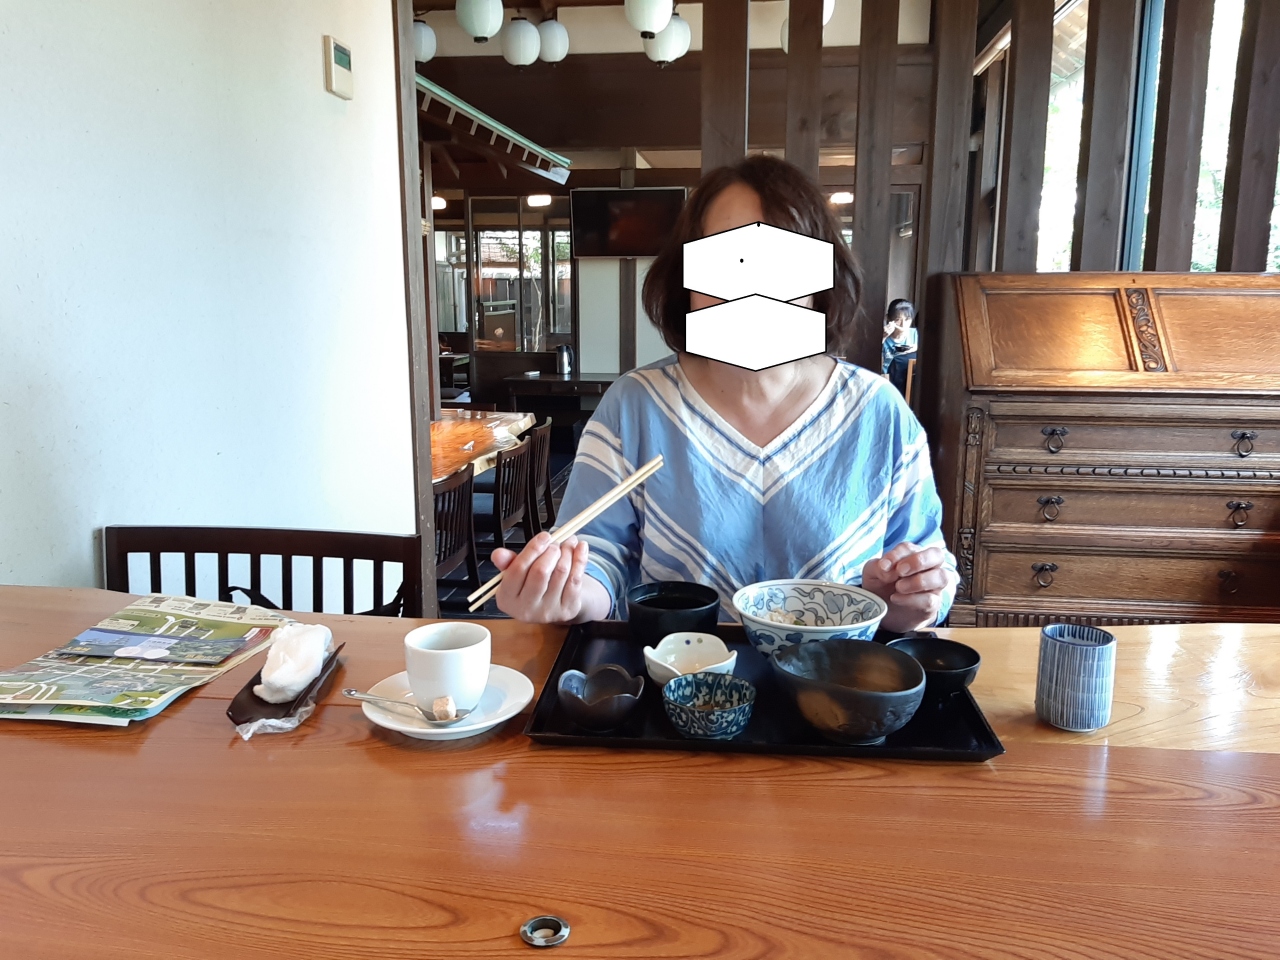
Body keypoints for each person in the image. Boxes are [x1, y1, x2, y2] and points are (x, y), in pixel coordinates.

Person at [490, 155, 956, 634]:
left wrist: (909, 598)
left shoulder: (879, 411)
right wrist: (562, 592)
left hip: (836, 677)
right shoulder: (634, 406)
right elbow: (596, 561)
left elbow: (927, 566)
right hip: (676, 674)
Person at [881, 299, 918, 376]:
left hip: (907, 378)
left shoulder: (916, 334)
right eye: (898, 320)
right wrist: (882, 339)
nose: (903, 324)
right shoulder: (882, 336)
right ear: (888, 318)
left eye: (907, 319)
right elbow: (875, 365)